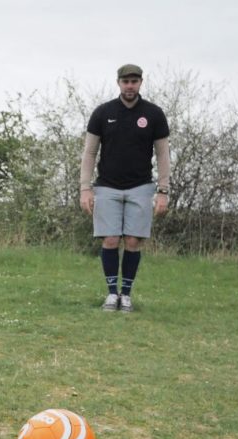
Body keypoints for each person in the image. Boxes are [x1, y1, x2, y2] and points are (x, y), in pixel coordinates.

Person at [79, 64, 171, 312]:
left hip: (141, 187)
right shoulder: (103, 112)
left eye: (134, 81)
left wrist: (163, 190)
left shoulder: (154, 114)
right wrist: (85, 188)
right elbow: (89, 152)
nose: (130, 86)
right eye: (125, 81)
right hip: (107, 187)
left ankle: (126, 295)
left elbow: (163, 154)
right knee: (109, 239)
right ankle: (111, 294)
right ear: (118, 82)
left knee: (132, 241)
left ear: (141, 82)